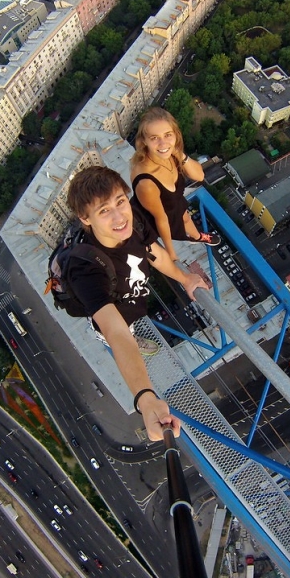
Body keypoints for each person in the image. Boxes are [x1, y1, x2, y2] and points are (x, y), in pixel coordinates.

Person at [66, 166, 208, 441]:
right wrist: (145, 398)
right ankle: (138, 342)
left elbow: (155, 254)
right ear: (85, 218)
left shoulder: (135, 223)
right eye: (104, 211)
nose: (120, 217)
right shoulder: (85, 268)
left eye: (120, 202)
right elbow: (116, 333)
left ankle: (137, 339)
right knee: (125, 337)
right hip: (113, 319)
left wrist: (185, 278)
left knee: (131, 329)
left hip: (133, 301)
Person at [130, 107, 220, 262]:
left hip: (174, 204)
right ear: (144, 141)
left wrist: (178, 152)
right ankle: (194, 237)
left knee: (186, 218)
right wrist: (171, 253)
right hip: (158, 217)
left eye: (168, 135)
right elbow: (161, 218)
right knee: (179, 221)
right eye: (154, 138)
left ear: (175, 134)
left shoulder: (171, 156)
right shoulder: (146, 182)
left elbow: (199, 176)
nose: (163, 143)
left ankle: (198, 237)